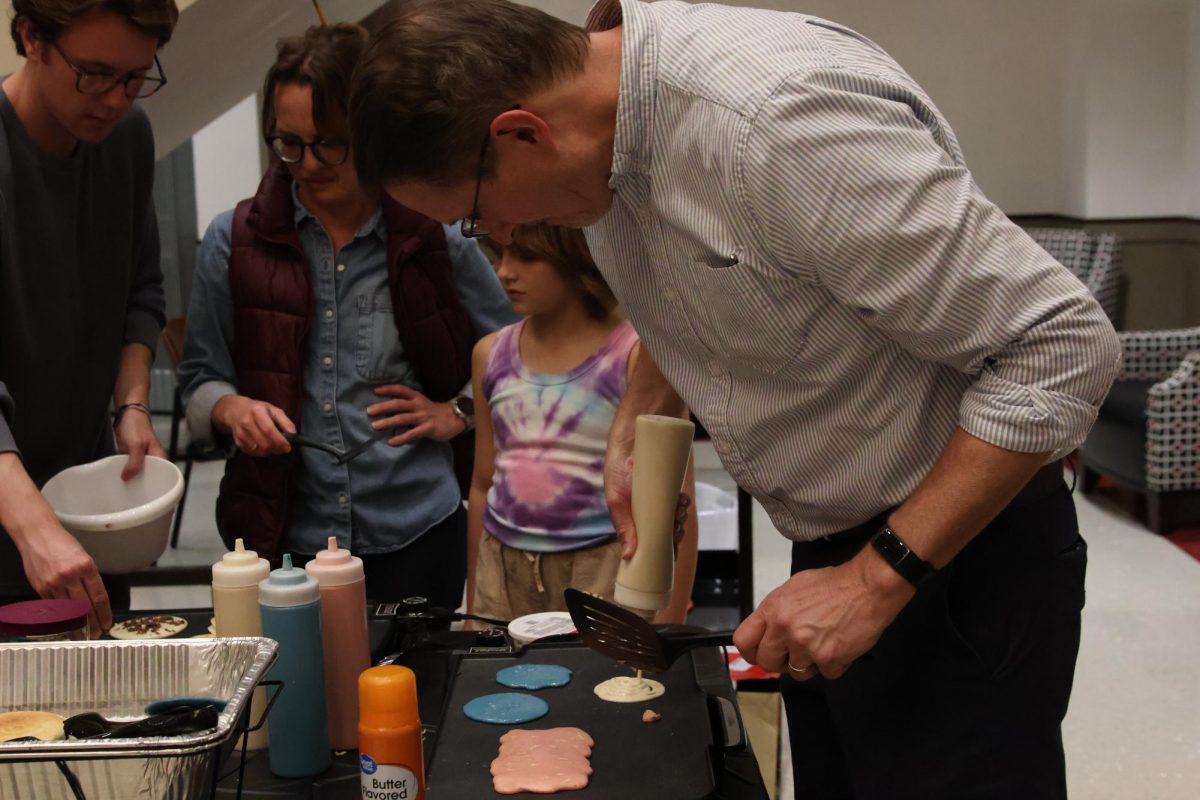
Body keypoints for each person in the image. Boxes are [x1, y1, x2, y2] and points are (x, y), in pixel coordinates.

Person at [347, 0, 1123, 796]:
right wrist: (635, 418)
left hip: (956, 554)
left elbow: (1061, 347)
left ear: (522, 132)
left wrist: (872, 580)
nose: (505, 238)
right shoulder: (602, 140)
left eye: (478, 216)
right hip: (839, 539)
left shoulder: (779, 126)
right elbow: (695, 285)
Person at [179, 23, 516, 609]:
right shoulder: (232, 241)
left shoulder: (432, 233)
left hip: (415, 529)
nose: (307, 164)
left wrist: (458, 411)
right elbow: (200, 380)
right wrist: (234, 410)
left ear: (369, 132)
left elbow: (515, 352)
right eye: (288, 143)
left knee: (414, 697)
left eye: (328, 142)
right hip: (284, 542)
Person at [0, 0, 178, 637]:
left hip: (85, 510)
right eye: (95, 74)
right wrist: (32, 524)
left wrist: (132, 405)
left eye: (134, 79)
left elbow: (142, 290)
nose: (114, 99)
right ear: (30, 37)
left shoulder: (125, 138)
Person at [467, 224, 696, 626]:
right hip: (502, 568)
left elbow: (677, 502)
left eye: (526, 256)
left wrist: (669, 618)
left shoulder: (641, 358)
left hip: (604, 566)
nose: (504, 271)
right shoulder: (490, 354)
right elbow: (483, 483)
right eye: (498, 255)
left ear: (576, 255)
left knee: (601, 683)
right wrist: (475, 605)